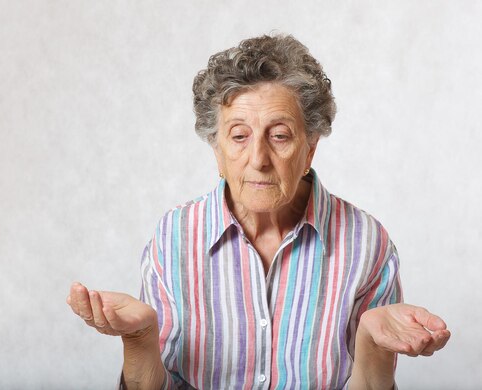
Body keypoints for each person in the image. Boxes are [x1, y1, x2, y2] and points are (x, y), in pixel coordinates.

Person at [67, 33, 450, 389]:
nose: (258, 159)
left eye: (279, 135)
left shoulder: (367, 243)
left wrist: (373, 346)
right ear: (217, 151)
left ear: (310, 148)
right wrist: (138, 340)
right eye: (238, 136)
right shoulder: (174, 238)